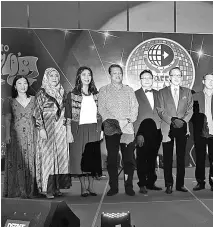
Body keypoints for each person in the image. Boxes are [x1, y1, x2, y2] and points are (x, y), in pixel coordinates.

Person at [98, 64, 139, 196]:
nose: (117, 75)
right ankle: (113, 187)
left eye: (119, 73)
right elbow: (102, 109)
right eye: (114, 73)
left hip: (127, 130)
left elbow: (135, 107)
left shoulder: (129, 90)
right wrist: (116, 123)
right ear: (110, 75)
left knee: (128, 160)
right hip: (112, 130)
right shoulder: (103, 90)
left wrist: (126, 120)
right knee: (112, 160)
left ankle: (128, 185)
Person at [34, 68, 71, 199]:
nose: (54, 78)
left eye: (56, 76)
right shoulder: (42, 92)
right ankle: (48, 189)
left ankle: (56, 187)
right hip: (48, 126)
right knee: (49, 159)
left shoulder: (62, 91)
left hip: (60, 126)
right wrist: (41, 128)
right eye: (52, 76)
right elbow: (37, 112)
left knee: (60, 157)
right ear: (46, 78)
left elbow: (66, 110)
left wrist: (67, 126)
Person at [65, 66, 102, 197]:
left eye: (89, 75)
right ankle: (83, 187)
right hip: (77, 129)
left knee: (92, 158)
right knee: (79, 159)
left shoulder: (97, 95)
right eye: (84, 75)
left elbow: (101, 113)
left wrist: (101, 129)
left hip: (93, 129)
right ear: (79, 77)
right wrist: (68, 131)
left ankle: (91, 187)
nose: (87, 77)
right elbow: (68, 114)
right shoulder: (72, 95)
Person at [156, 67, 193, 194]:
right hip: (167, 128)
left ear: (181, 77)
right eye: (174, 75)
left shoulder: (187, 92)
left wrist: (182, 121)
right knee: (167, 158)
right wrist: (172, 120)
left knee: (181, 157)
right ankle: (169, 184)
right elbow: (160, 110)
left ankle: (180, 184)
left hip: (183, 128)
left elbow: (190, 110)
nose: (176, 77)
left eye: (179, 75)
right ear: (169, 77)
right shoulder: (161, 92)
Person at [2, 75, 36, 198]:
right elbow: (7, 119)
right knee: (16, 162)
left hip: (32, 136)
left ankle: (31, 190)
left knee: (30, 163)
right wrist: (6, 136)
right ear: (15, 86)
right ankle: (17, 190)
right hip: (15, 136)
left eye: (25, 83)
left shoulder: (34, 99)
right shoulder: (9, 101)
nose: (23, 86)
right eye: (20, 83)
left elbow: (38, 118)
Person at [192, 73, 213, 192]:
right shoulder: (195, 97)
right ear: (203, 81)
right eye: (208, 79)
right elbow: (192, 116)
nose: (211, 82)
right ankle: (200, 182)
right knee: (200, 158)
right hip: (200, 133)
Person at [134, 70, 163, 194]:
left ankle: (151, 182)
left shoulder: (159, 94)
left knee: (152, 159)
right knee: (141, 159)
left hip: (157, 130)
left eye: (149, 78)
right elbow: (133, 115)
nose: (146, 80)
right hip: (142, 132)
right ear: (140, 80)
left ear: (153, 79)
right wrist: (138, 133)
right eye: (144, 78)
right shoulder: (134, 94)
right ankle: (142, 184)